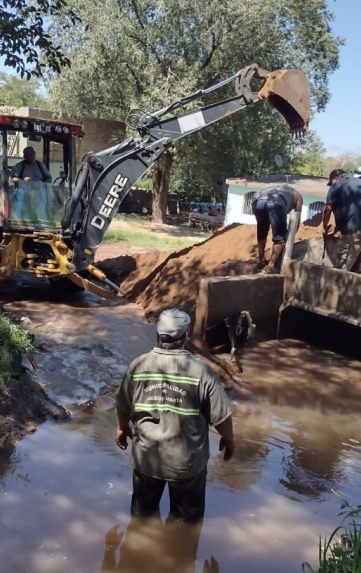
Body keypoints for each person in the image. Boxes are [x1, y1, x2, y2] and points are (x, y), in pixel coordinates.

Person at [115, 308, 235, 523]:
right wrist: (229, 439)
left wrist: (122, 428)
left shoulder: (138, 365)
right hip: (187, 464)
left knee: (142, 519)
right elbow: (221, 416)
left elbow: (123, 405)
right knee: (186, 524)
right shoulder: (201, 371)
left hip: (146, 458)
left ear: (157, 335)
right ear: (185, 336)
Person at [322, 169, 361, 272]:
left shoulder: (337, 184)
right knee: (357, 258)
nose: (331, 186)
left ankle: (338, 280)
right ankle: (353, 278)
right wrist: (338, 227)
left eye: (331, 183)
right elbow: (350, 209)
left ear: (335, 178)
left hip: (360, 224)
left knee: (343, 260)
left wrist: (324, 226)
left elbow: (328, 208)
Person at [252, 184, 303, 274]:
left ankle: (261, 260)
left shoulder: (282, 190)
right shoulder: (299, 197)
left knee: (262, 232)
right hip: (275, 202)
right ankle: (271, 266)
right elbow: (296, 218)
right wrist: (290, 237)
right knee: (279, 238)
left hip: (257, 201)